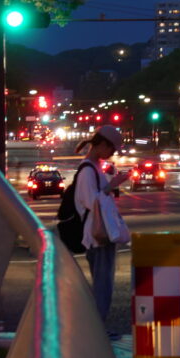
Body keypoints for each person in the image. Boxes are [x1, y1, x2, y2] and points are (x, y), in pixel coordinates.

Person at [73, 125, 130, 337]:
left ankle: (97, 330)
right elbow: (91, 201)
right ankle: (96, 333)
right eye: (112, 150)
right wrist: (112, 184)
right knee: (102, 286)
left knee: (103, 284)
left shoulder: (95, 167)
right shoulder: (88, 169)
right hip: (97, 236)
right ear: (102, 145)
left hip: (101, 235)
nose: (111, 154)